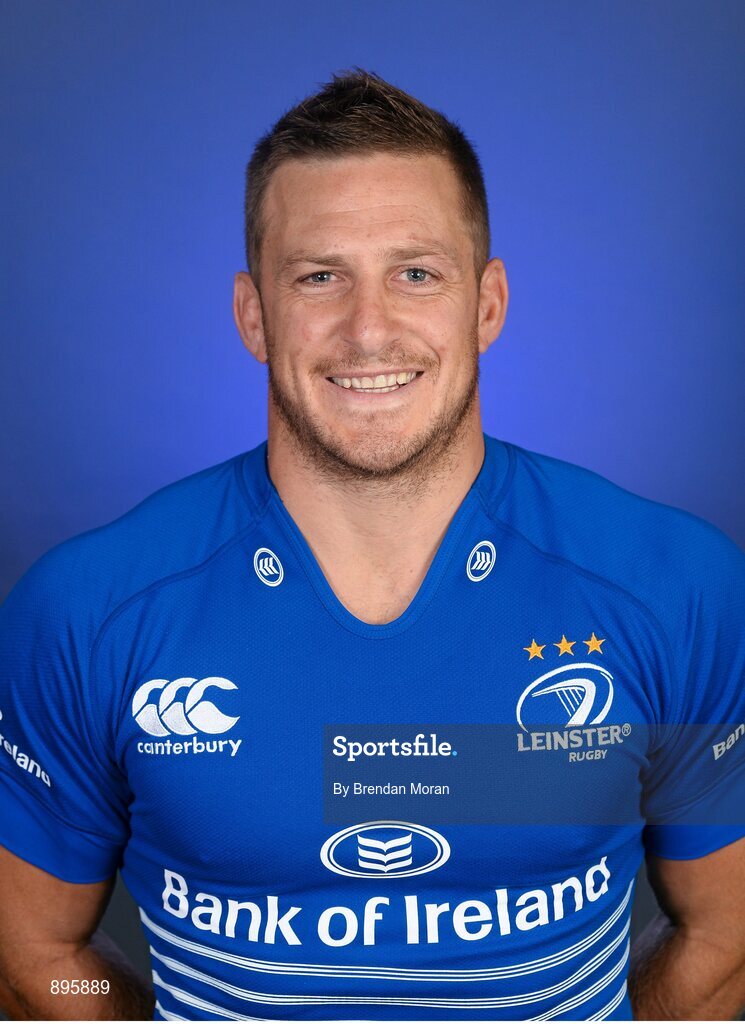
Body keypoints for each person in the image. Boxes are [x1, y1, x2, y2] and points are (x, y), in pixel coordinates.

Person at [0, 68, 743, 1023]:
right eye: (319, 277)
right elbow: (34, 951)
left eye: (415, 273)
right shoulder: (86, 612)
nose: (367, 329)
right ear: (253, 315)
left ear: (487, 304)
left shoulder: (677, 591)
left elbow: (726, 934)